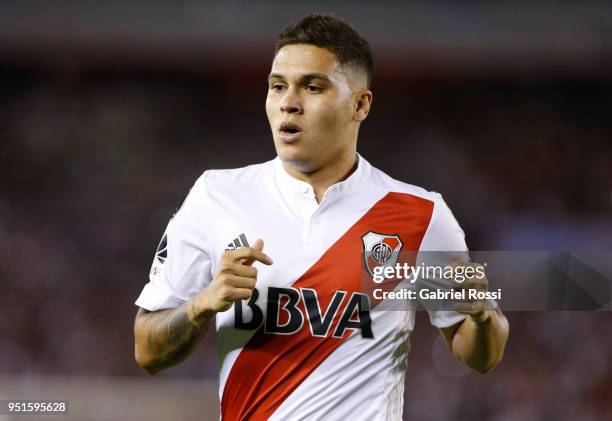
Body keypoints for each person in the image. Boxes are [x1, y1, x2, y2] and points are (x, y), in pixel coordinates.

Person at [133, 13, 509, 420]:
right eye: (277, 86)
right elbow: (147, 351)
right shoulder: (217, 195)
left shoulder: (421, 213)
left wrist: (483, 317)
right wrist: (202, 304)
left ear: (360, 105)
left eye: (312, 87)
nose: (288, 102)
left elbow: (478, 355)